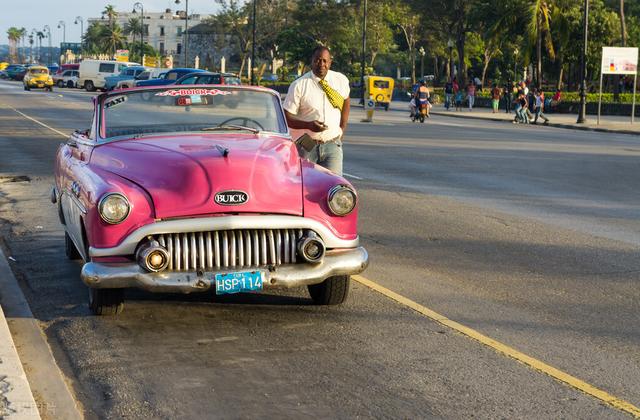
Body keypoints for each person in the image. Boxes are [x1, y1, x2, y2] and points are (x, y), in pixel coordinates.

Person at [283, 46, 350, 175]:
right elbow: (286, 117)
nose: (321, 64)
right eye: (317, 60)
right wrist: (308, 125)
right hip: (307, 145)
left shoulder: (340, 80)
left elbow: (346, 100)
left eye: (325, 61)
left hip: (332, 144)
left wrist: (342, 127)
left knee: (333, 186)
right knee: (305, 187)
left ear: (330, 62)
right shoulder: (299, 85)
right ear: (312, 62)